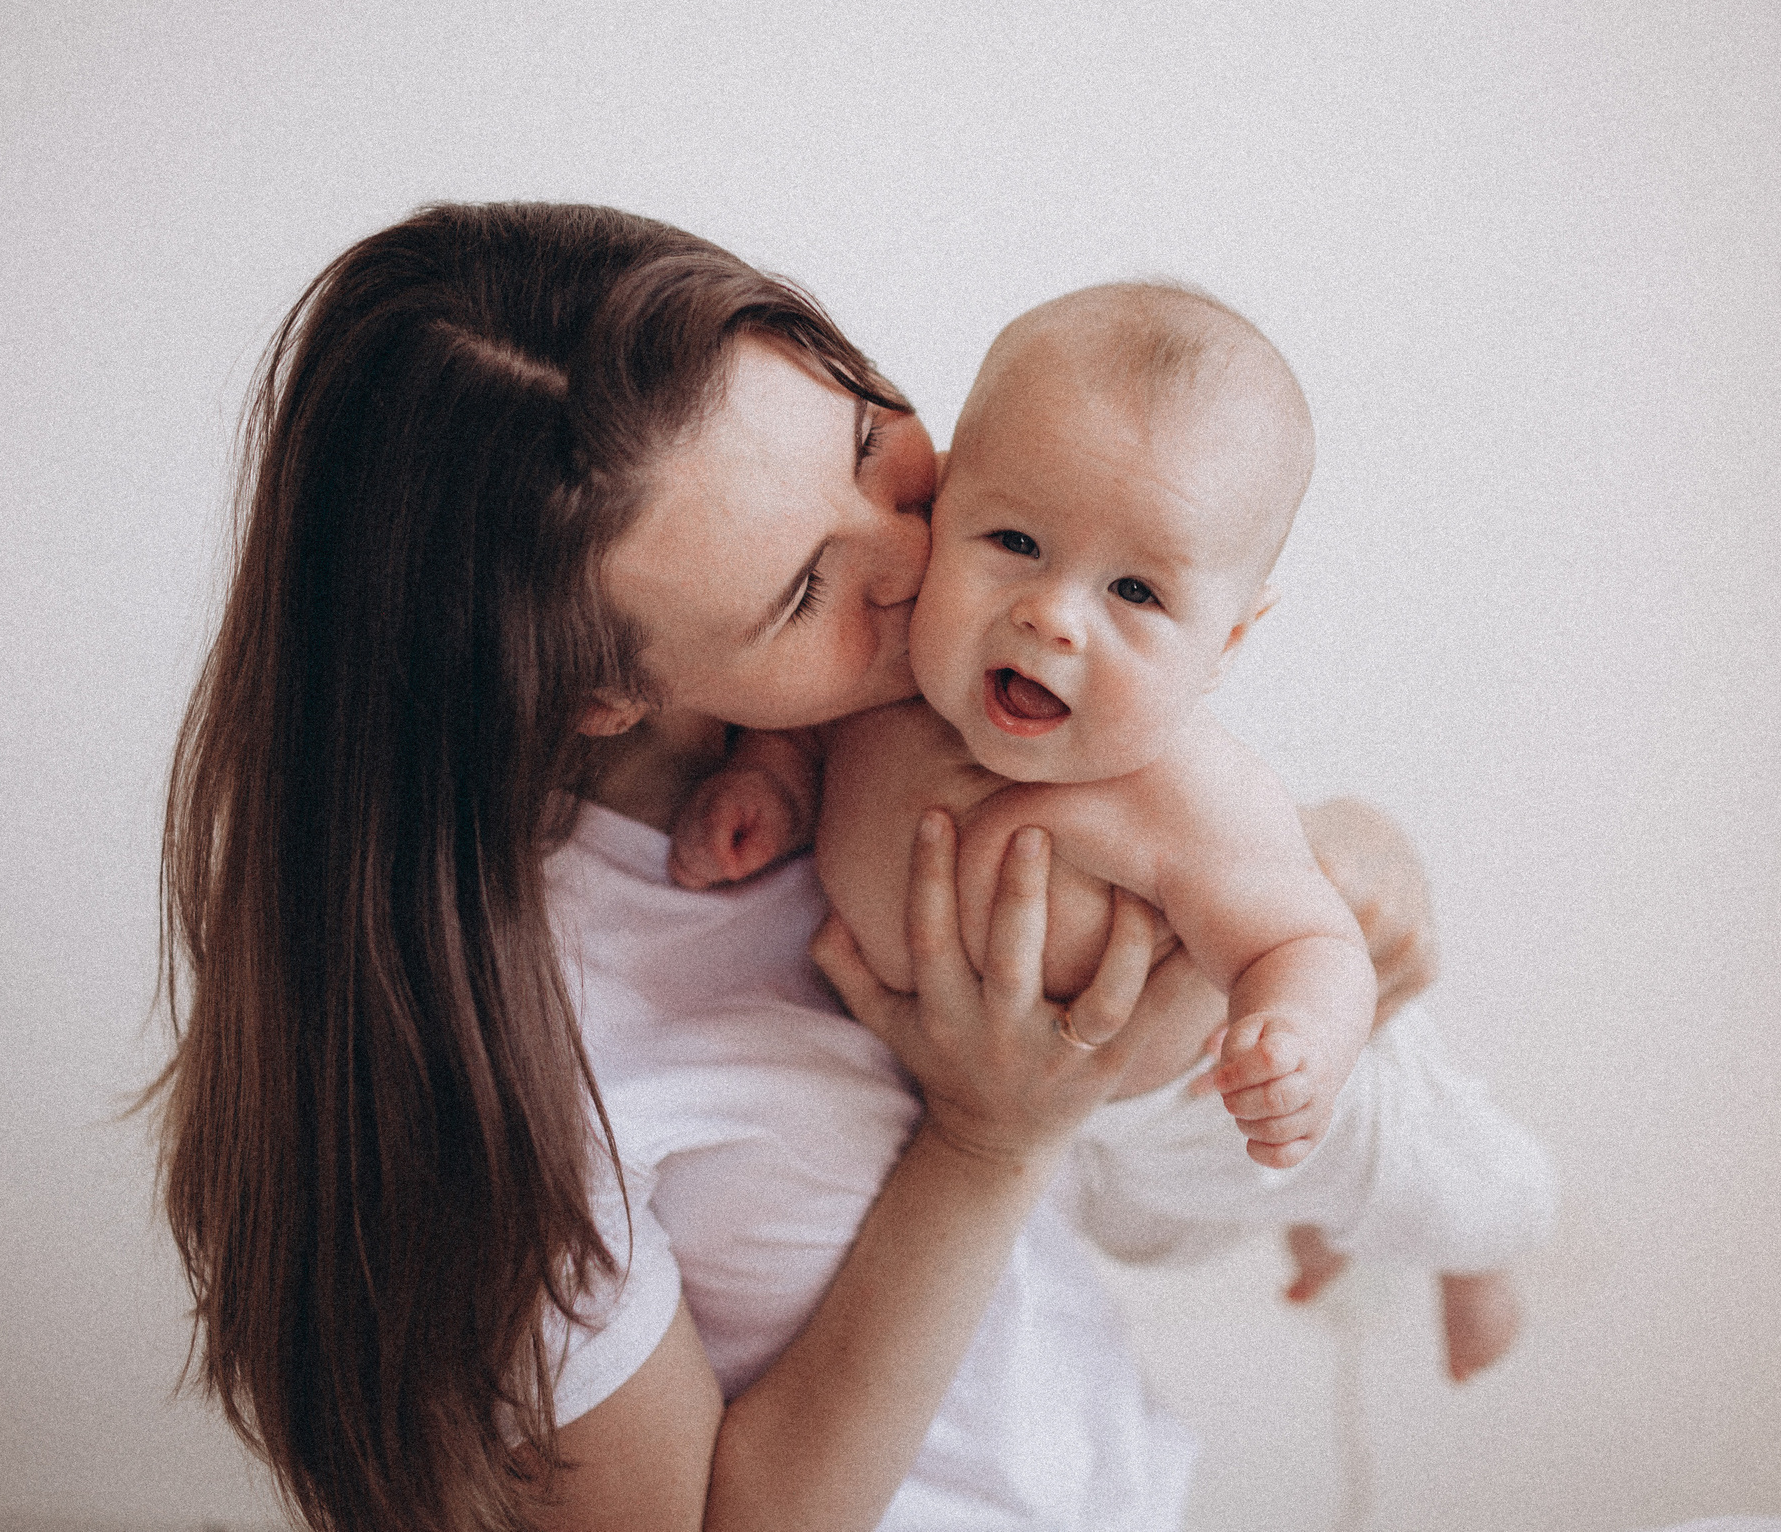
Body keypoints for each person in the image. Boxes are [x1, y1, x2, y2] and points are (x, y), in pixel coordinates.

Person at [149, 203, 1443, 1532]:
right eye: (804, 589)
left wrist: (1338, 861)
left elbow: (1147, 1125)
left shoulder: (919, 685)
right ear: (599, 689)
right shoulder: (498, 1074)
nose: (922, 556)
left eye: (871, 442)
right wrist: (989, 1140)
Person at [672, 282, 1555, 1381]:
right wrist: (765, 786)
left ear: (1225, 642)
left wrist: (1297, 1046)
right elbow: (800, 742)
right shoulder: (882, 695)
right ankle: (1318, 1226)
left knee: (1432, 1181)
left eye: (1134, 590)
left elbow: (1308, 940)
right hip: (1064, 1125)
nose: (1052, 613)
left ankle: (1484, 1263)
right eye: (1015, 540)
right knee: (1148, 1238)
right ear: (941, 513)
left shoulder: (1184, 793)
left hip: (1203, 1097)